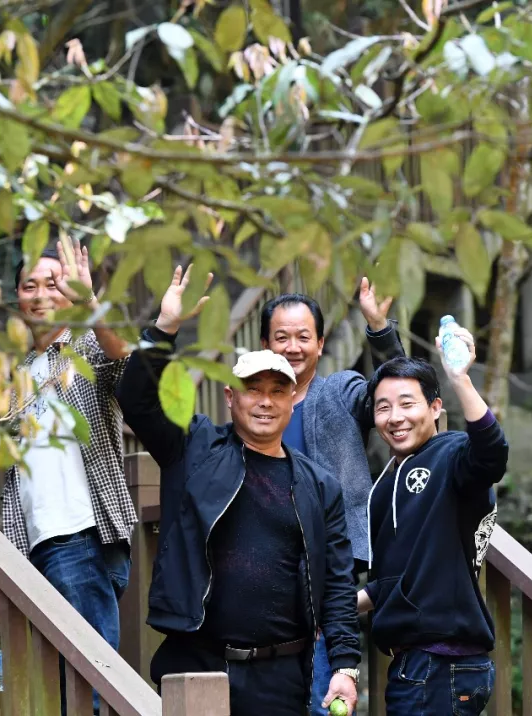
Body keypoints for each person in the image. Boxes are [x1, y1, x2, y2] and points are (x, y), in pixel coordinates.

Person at [117, 265, 361, 716]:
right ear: (231, 397)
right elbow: (137, 400)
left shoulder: (318, 484)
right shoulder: (194, 448)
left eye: (277, 391)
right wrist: (165, 327)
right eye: (253, 390)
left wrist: (345, 665)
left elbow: (338, 584)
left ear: (292, 400)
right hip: (199, 665)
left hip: (284, 675)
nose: (265, 401)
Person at [0, 237, 133, 714]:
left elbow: (125, 361)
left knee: (89, 693)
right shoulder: (16, 374)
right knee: (53, 691)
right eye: (29, 285)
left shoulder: (86, 348)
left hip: (80, 536)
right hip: (32, 546)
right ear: (16, 296)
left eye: (52, 284)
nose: (40, 294)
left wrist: (90, 303)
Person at [258, 282, 403, 712]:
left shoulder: (340, 391)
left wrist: (377, 326)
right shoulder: (254, 410)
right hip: (268, 572)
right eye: (281, 337)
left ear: (321, 344)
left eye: (304, 337)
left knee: (324, 695)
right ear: (265, 344)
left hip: (330, 571)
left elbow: (396, 388)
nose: (292, 347)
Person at [358, 325, 508, 715]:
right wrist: (330, 611)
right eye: (383, 407)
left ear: (435, 408)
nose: (395, 417)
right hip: (417, 664)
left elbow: (491, 456)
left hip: (443, 662)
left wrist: (460, 379)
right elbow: (391, 584)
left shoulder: (453, 453)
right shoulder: (384, 485)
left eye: (407, 403)